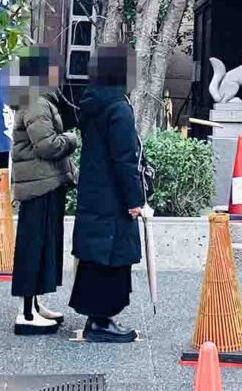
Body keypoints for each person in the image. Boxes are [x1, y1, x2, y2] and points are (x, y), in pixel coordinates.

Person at [69, 45, 144, 343]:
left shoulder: (93, 102)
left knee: (95, 255)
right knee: (112, 255)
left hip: (94, 191)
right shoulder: (118, 108)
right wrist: (134, 199)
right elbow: (125, 159)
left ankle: (97, 318)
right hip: (113, 196)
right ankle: (101, 321)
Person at [9, 48, 78, 336]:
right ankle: (26, 313)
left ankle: (34, 305)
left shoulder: (36, 98)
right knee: (33, 248)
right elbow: (47, 145)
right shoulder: (37, 101)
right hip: (40, 185)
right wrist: (71, 138)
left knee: (39, 247)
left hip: (43, 182)